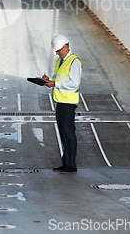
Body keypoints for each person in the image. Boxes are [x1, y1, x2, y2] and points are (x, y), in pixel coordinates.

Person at [43, 34, 82, 173]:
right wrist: (49, 80)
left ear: (66, 47)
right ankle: (66, 162)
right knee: (63, 134)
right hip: (60, 101)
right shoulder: (61, 61)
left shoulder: (74, 62)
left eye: (59, 50)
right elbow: (60, 79)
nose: (57, 53)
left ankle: (71, 164)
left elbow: (73, 84)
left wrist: (55, 84)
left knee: (69, 134)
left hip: (68, 103)